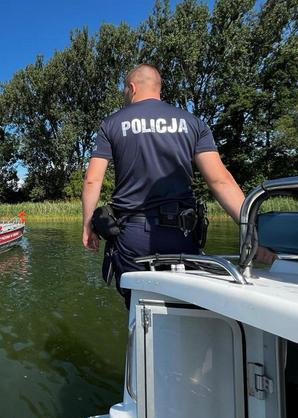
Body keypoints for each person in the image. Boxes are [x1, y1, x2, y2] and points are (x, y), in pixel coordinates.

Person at [82, 63, 273, 308]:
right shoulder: (193, 123)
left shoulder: (111, 124)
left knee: (141, 313)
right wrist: (251, 234)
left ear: (132, 88)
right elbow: (220, 181)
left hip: (133, 236)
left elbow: (92, 179)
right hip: (183, 234)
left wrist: (88, 225)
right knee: (184, 309)